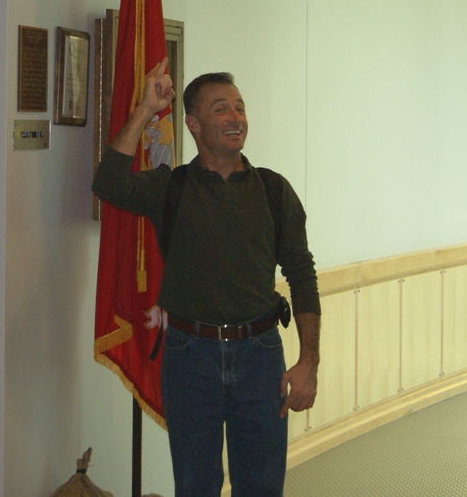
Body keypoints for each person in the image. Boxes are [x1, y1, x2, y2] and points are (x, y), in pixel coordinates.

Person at [93, 59, 321, 497]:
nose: (235, 118)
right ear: (193, 124)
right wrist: (144, 110)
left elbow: (302, 275)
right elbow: (108, 184)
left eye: (239, 107)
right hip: (188, 357)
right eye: (221, 109)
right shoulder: (171, 188)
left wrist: (308, 360)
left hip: (260, 357)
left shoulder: (274, 191)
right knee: (196, 486)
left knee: (261, 486)